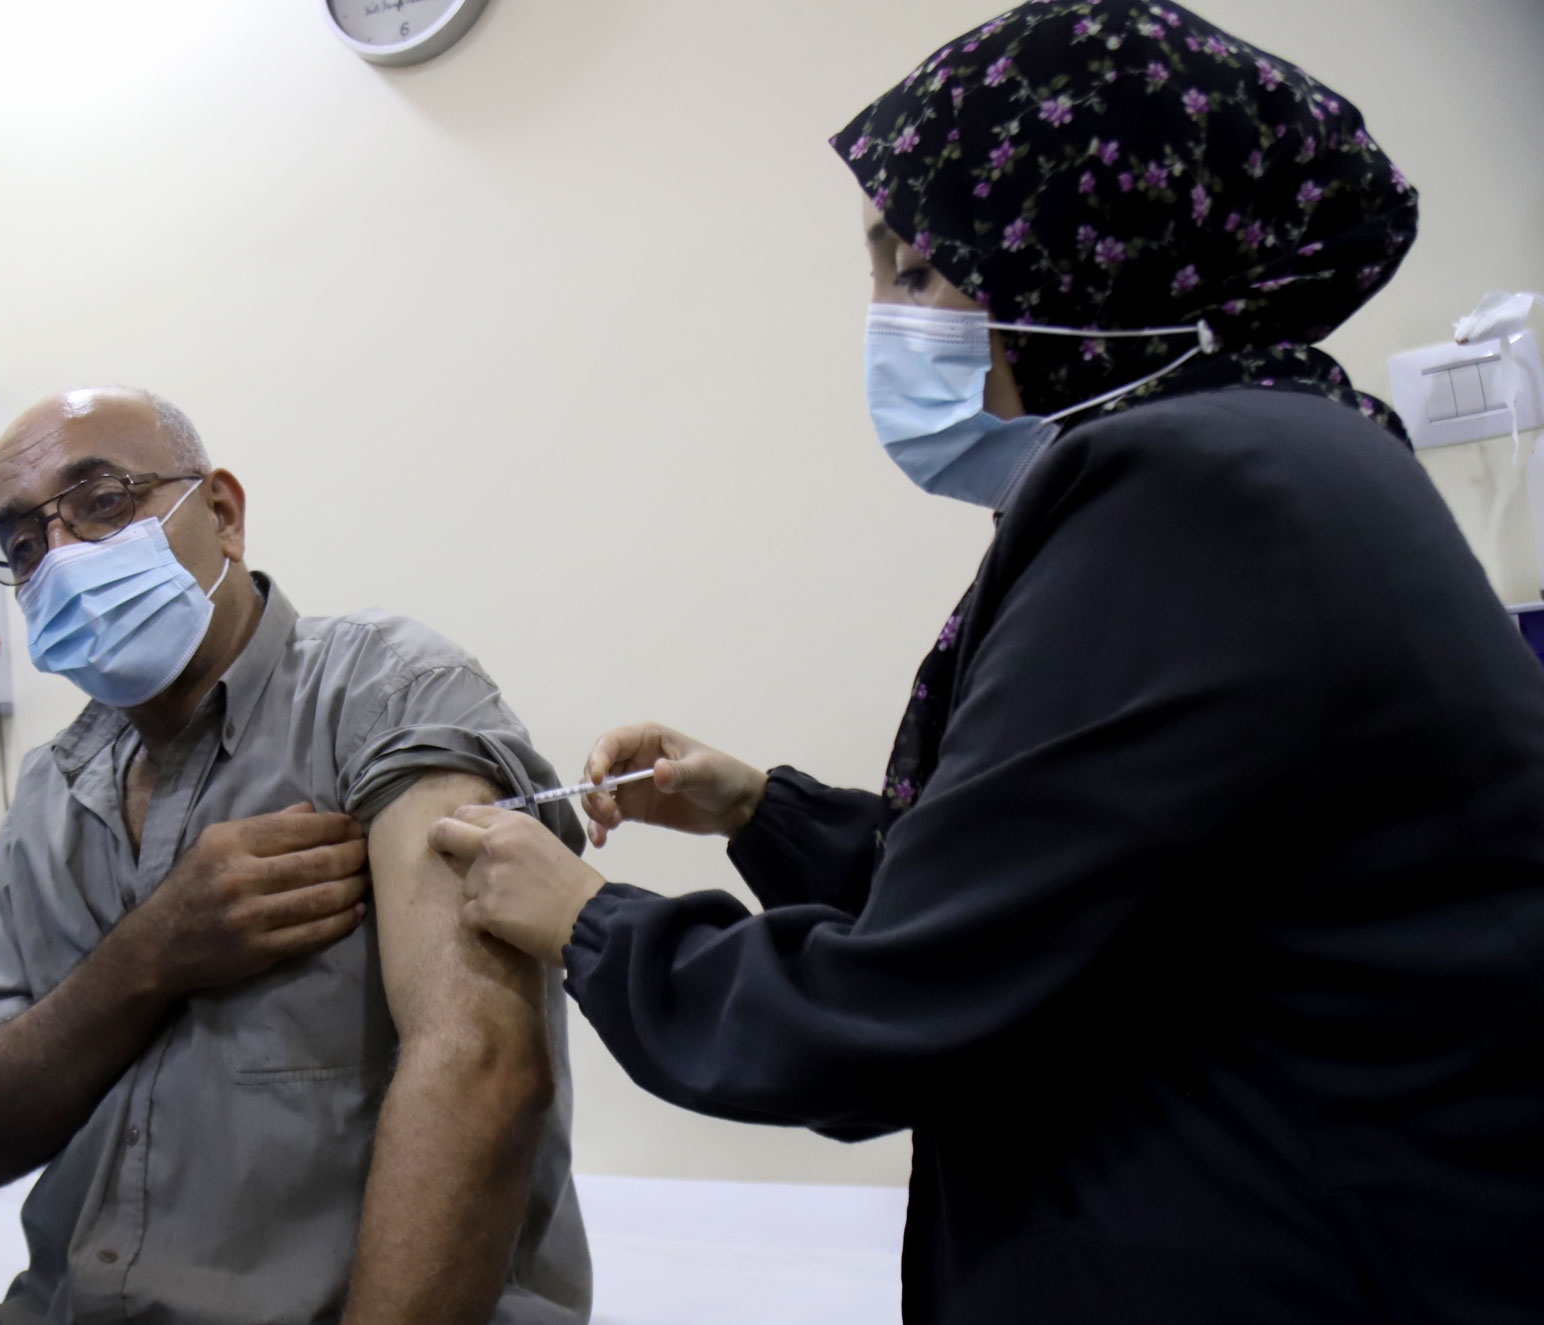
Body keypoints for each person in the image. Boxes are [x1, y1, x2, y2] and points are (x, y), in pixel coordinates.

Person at [429, 3, 1544, 1322]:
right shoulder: (1299, 447)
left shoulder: (1192, 496)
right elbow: (1067, 902)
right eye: (878, 268)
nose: (891, 322)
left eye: (923, 269)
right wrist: (758, 808)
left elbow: (895, 1014)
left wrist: (586, 921)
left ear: (1089, 243)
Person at [0, 387, 590, 1324]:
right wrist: (148, 957)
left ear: (223, 515)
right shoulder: (51, 795)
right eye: (26, 546)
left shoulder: (385, 694)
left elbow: (481, 1063)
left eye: (105, 502)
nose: (63, 561)